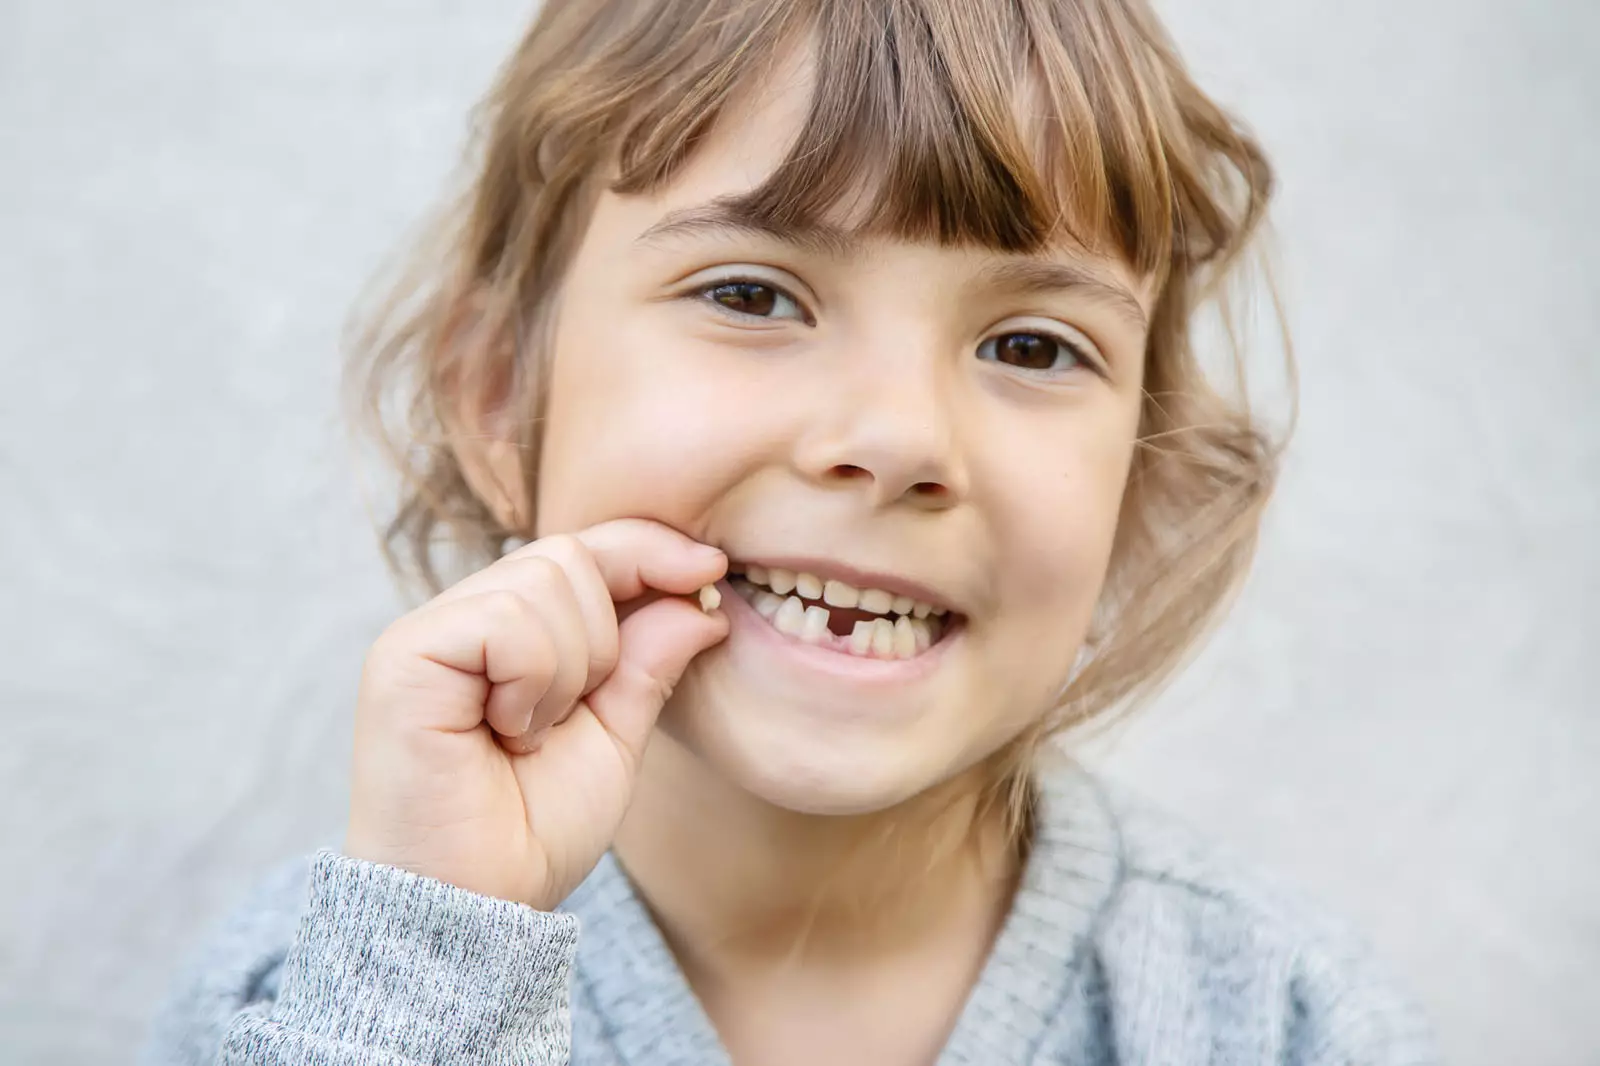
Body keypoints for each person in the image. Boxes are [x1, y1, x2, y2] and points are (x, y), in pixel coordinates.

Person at [141, 1, 1439, 1063]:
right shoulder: (313, 999)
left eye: (1032, 344)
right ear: (498, 399)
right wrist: (436, 973)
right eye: (754, 294)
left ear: (1133, 478)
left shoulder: (1283, 1023)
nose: (897, 438)